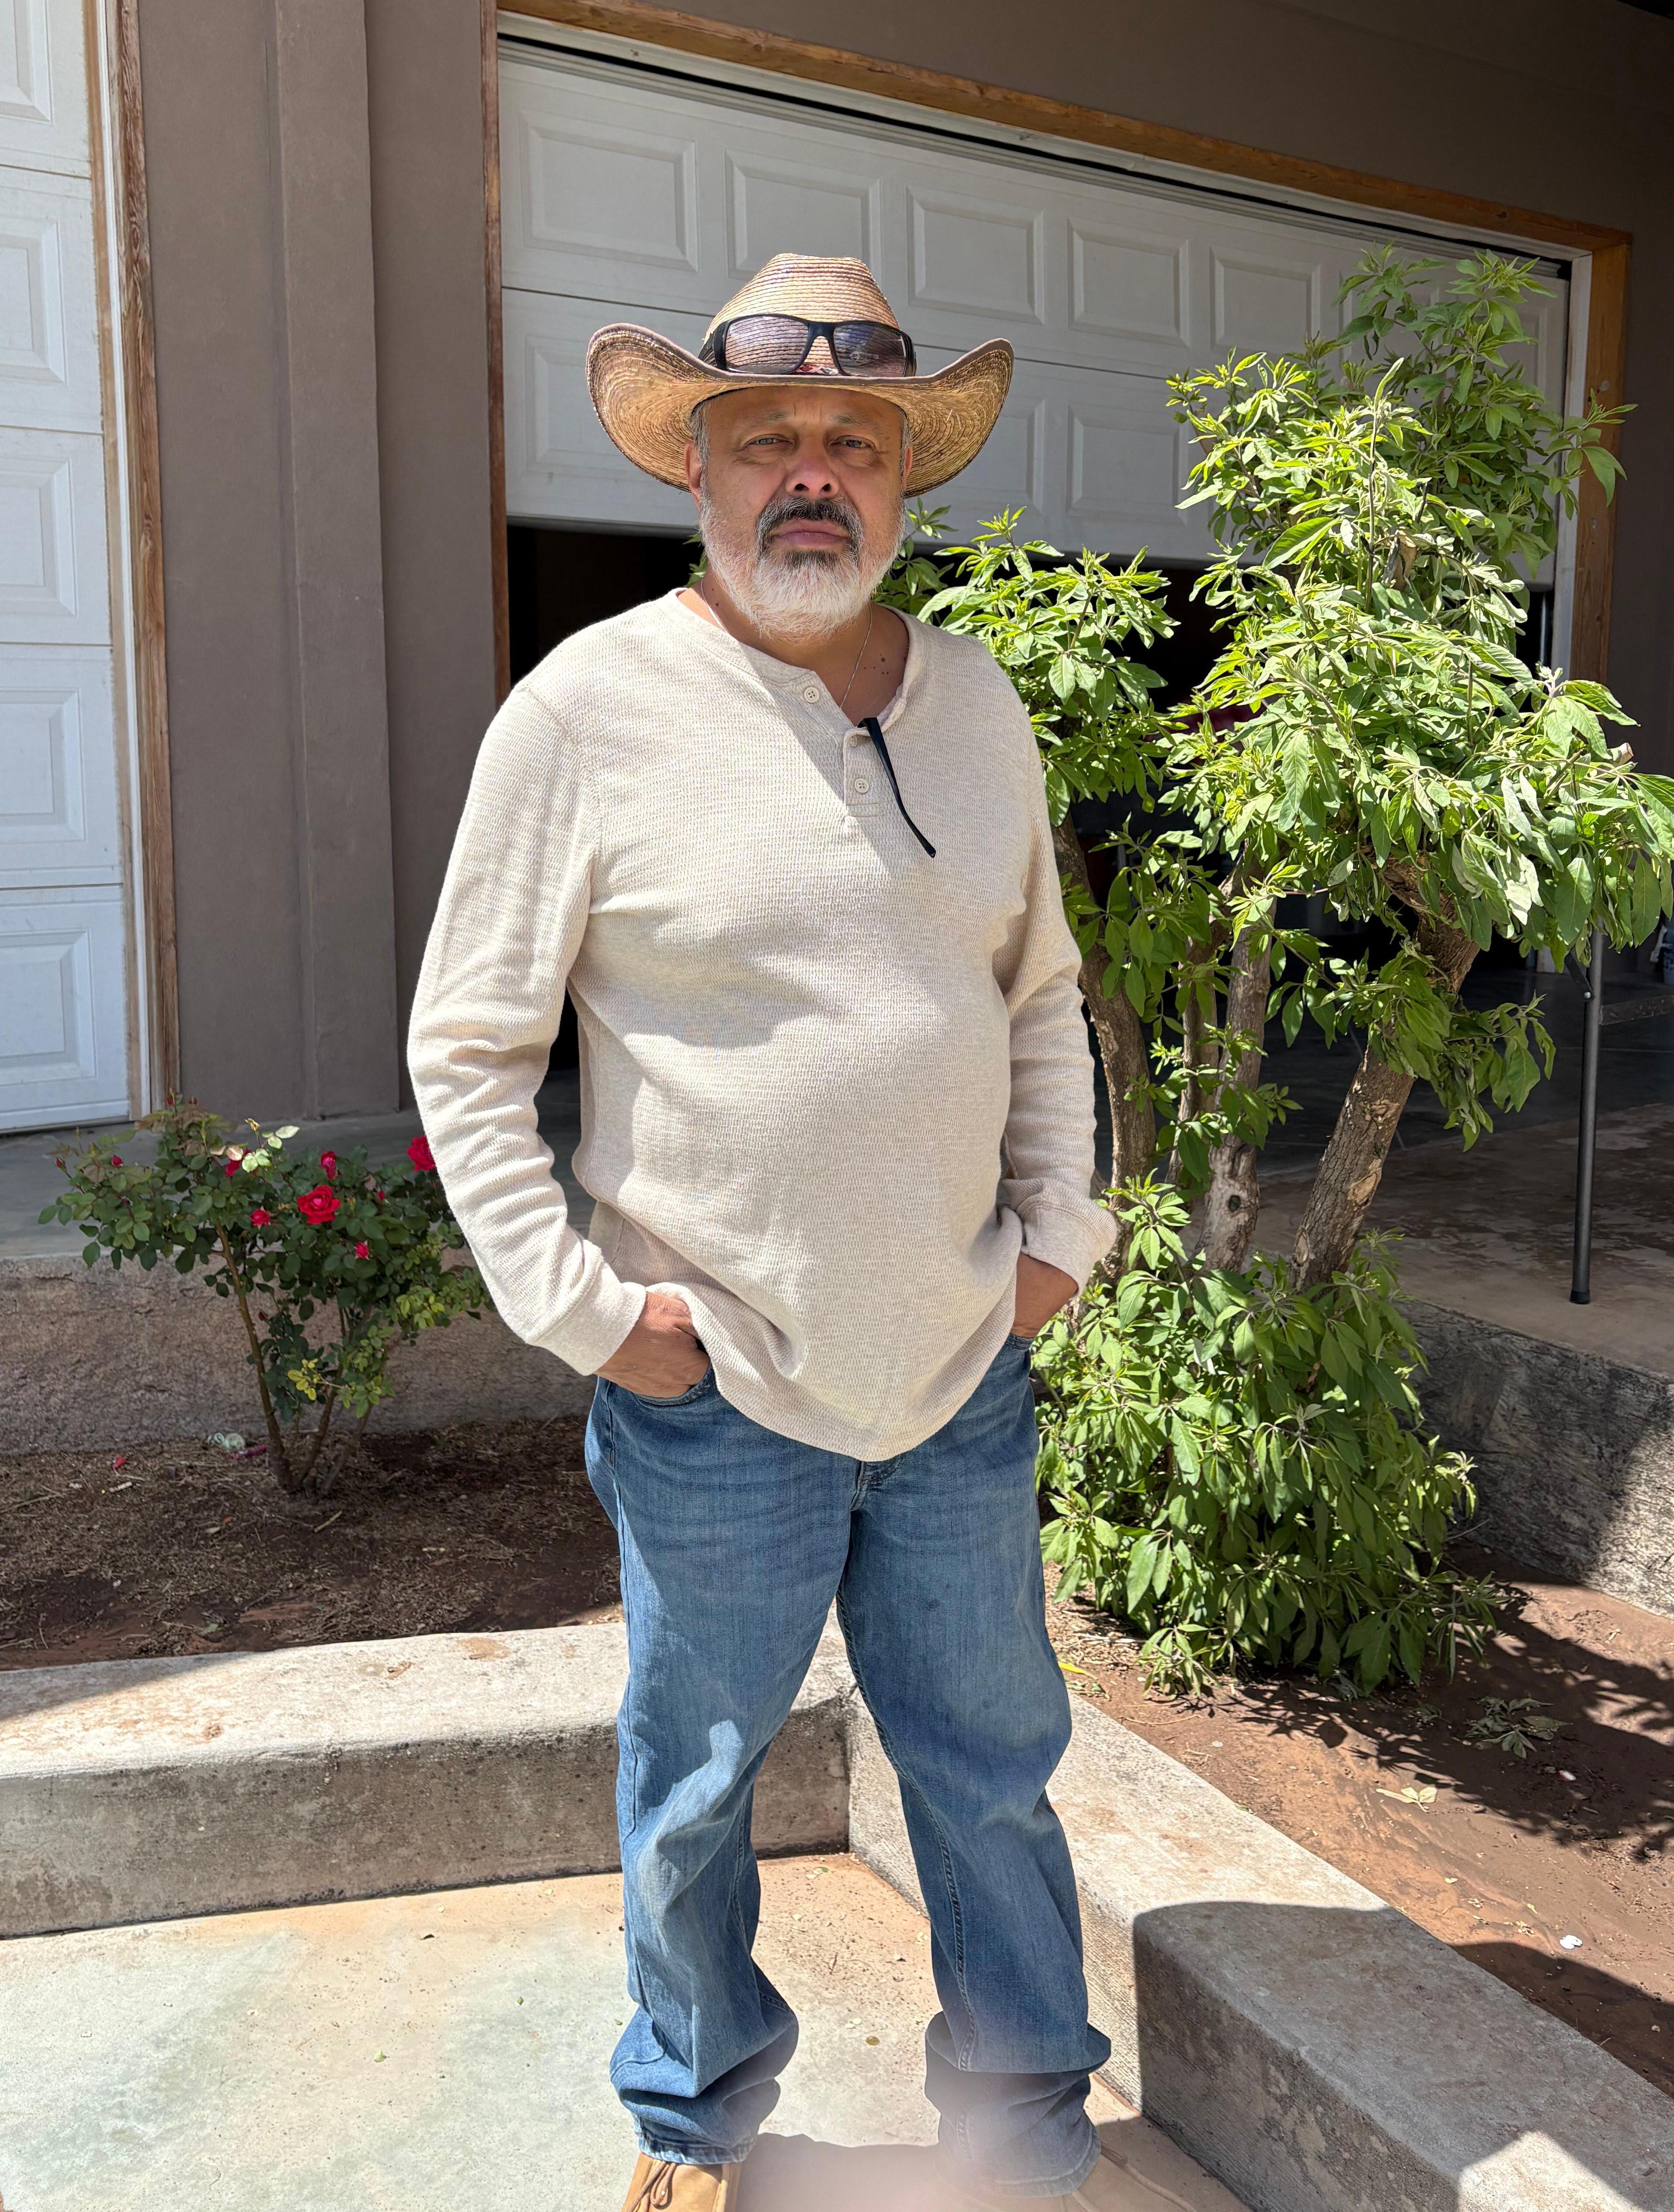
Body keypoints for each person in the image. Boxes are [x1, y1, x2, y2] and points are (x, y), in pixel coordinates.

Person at [409, 255, 1119, 2209]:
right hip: (715, 1388)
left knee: (989, 1775)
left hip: (960, 1370)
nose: (813, 475)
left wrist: (1062, 1236)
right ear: (699, 470)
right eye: (770, 440)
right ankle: (695, 2129)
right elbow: (469, 1042)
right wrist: (585, 1314)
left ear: (903, 479)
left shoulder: (978, 706)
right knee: (696, 1794)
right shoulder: (587, 711)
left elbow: (1038, 993)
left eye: (853, 444)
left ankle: (1024, 2139)